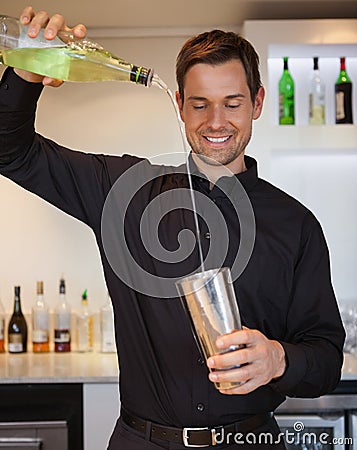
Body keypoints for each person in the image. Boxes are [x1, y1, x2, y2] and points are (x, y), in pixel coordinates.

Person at [0, 7, 345, 449]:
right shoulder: (122, 192)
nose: (215, 121)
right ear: (179, 105)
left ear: (257, 103)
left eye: (232, 104)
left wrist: (278, 359)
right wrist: (27, 72)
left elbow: (326, 359)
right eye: (199, 104)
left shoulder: (296, 225)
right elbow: (10, 152)